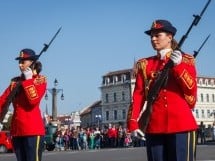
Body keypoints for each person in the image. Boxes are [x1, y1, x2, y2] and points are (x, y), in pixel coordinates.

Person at [127, 20, 198, 161]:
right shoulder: (145, 64)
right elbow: (138, 95)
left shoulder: (186, 60)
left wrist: (178, 67)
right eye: (151, 36)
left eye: (157, 35)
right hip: (155, 125)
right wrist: (133, 122)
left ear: (169, 37)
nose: (153, 39)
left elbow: (191, 89)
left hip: (181, 124)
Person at [0, 48, 47, 161]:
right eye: (19, 62)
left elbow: (33, 101)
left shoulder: (40, 80)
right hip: (17, 131)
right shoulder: (15, 82)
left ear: (32, 63)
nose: (20, 65)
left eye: (23, 62)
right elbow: (2, 100)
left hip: (32, 130)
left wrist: (29, 80)